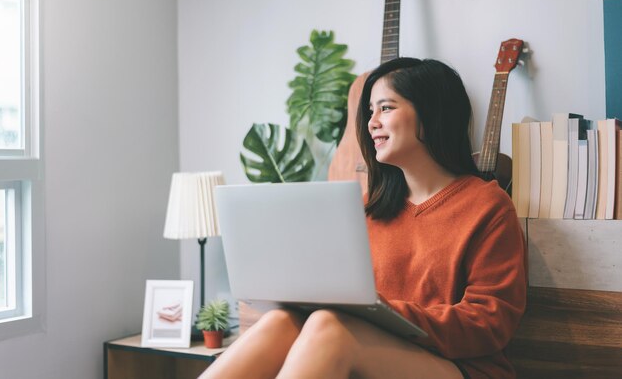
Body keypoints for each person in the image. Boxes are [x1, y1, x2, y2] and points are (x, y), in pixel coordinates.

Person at [200, 57, 526, 379]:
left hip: (462, 368)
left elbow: (489, 323)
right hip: (373, 352)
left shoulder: (488, 206)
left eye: (386, 108)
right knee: (280, 322)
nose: (372, 122)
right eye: (370, 111)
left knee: (332, 327)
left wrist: (386, 313)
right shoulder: (370, 208)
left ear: (429, 116)